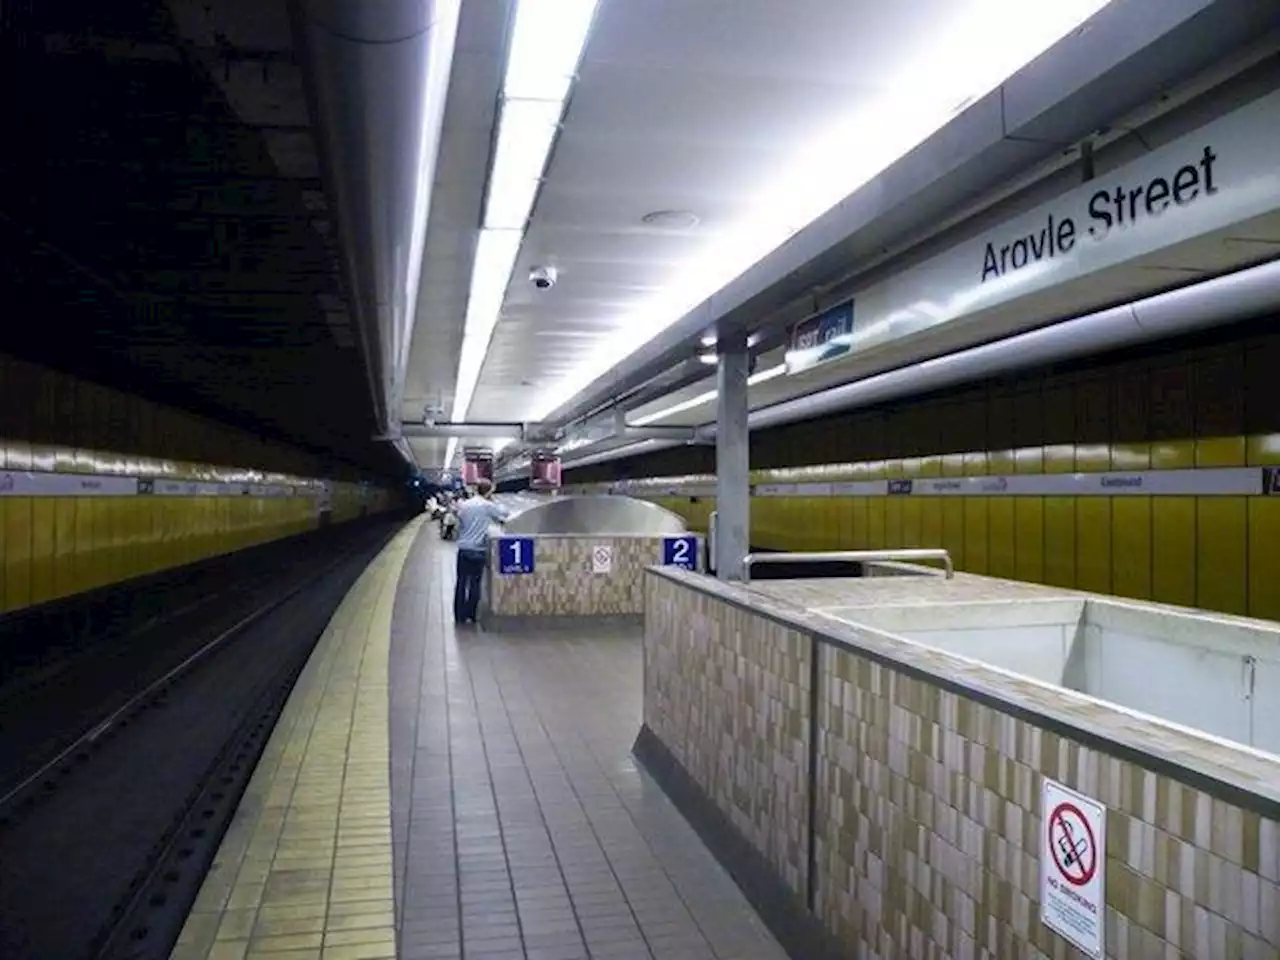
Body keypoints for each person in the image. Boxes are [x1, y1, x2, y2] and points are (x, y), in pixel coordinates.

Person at [452, 478, 509, 625]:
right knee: (475, 583)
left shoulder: (465, 505)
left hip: (463, 549)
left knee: (461, 582)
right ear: (489, 491)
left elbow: (459, 523)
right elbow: (504, 514)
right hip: (478, 549)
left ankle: (459, 616)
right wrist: (494, 501)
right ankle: (471, 615)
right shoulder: (487, 506)